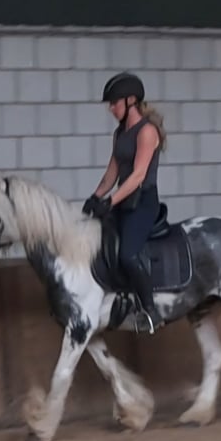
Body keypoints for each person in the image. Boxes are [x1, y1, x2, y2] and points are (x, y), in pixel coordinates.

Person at [82, 72, 167, 334]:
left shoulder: (147, 132)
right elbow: (112, 174)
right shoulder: (120, 133)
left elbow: (138, 176)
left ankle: (151, 312)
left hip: (143, 202)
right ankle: (117, 302)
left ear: (131, 101)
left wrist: (110, 202)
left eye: (114, 102)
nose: (111, 108)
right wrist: (95, 197)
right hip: (123, 200)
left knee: (128, 255)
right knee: (99, 243)